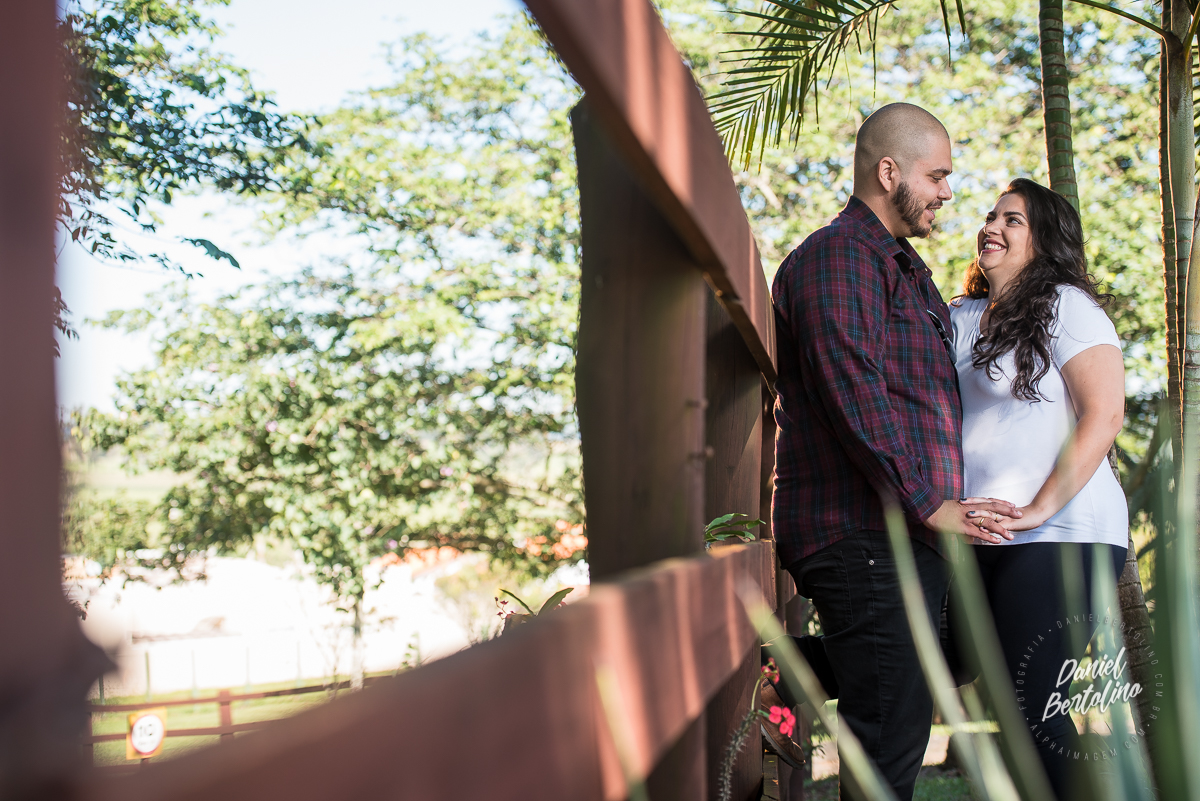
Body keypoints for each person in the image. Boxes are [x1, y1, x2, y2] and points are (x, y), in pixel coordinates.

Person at [760, 102, 1019, 800]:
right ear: (888, 171)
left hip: (904, 532)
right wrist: (930, 501)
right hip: (862, 531)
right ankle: (778, 671)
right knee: (895, 734)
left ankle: (776, 670)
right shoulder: (839, 255)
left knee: (950, 657)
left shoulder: (906, 270)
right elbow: (854, 387)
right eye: (938, 175)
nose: (947, 191)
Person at [946, 178, 1128, 798]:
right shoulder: (958, 317)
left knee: (1034, 713)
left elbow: (1104, 414)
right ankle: (787, 668)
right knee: (948, 655)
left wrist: (1039, 509)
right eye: (991, 215)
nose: (992, 226)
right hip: (984, 533)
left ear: (1045, 240)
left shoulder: (1066, 306)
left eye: (1013, 220)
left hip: (1064, 533)